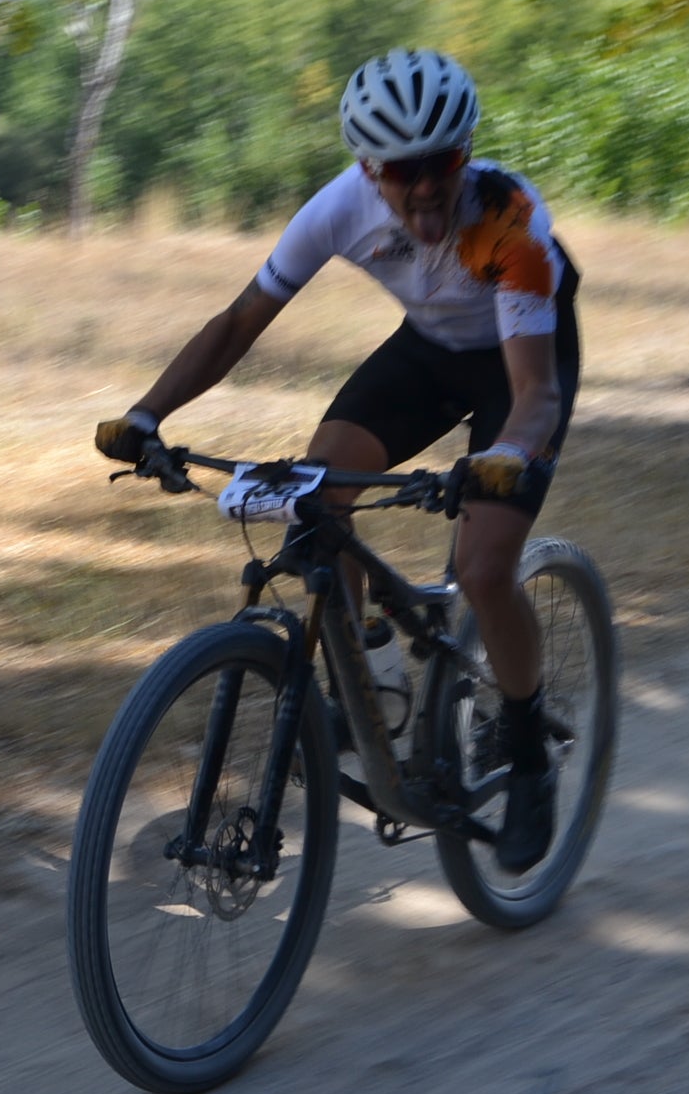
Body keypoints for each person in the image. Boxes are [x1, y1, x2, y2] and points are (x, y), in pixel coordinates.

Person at [93, 47, 580, 874]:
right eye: (399, 171)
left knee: (485, 565)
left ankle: (528, 751)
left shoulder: (509, 220)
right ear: (367, 168)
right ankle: (372, 682)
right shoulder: (338, 209)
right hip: (427, 354)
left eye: (442, 163)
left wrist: (503, 455)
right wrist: (148, 414)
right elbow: (240, 322)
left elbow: (534, 391)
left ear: (466, 153)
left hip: (521, 363)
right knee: (316, 497)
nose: (424, 186)